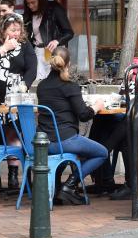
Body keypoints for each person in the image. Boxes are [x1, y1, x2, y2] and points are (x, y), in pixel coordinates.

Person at [35, 46, 107, 206]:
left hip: (44, 142)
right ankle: (70, 185)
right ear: (68, 64)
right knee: (102, 152)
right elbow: (83, 115)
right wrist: (96, 106)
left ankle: (61, 187)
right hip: (65, 140)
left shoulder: (42, 86)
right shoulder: (70, 86)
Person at [0, 13, 36, 103]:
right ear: (2, 30)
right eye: (13, 30)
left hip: (16, 97)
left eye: (18, 30)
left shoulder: (24, 43)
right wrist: (4, 48)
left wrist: (24, 85)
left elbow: (32, 68)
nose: (16, 33)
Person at [23, 0, 74, 81]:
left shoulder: (55, 8)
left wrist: (57, 41)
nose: (30, 6)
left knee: (57, 81)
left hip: (56, 52)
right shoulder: (29, 14)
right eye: (28, 3)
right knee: (38, 82)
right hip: (38, 51)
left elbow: (69, 32)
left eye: (33, 2)